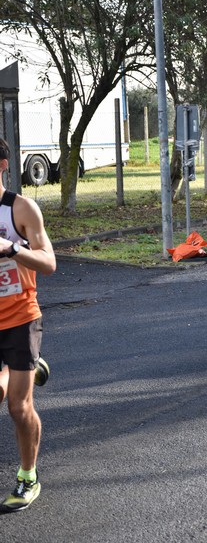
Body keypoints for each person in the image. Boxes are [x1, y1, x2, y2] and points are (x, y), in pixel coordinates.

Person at [0, 137, 56, 513]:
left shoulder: (20, 208)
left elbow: (49, 262)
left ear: (2, 165)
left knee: (18, 408)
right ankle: (26, 368)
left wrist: (11, 249)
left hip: (20, 318)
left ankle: (28, 475)